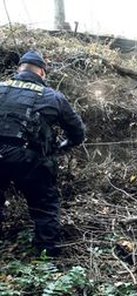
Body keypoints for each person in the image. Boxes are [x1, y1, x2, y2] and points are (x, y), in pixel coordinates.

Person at [0, 51, 85, 256]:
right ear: (42, 73)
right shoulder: (52, 97)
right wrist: (63, 146)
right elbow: (78, 133)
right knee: (45, 208)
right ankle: (45, 262)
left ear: (19, 69)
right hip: (29, 159)